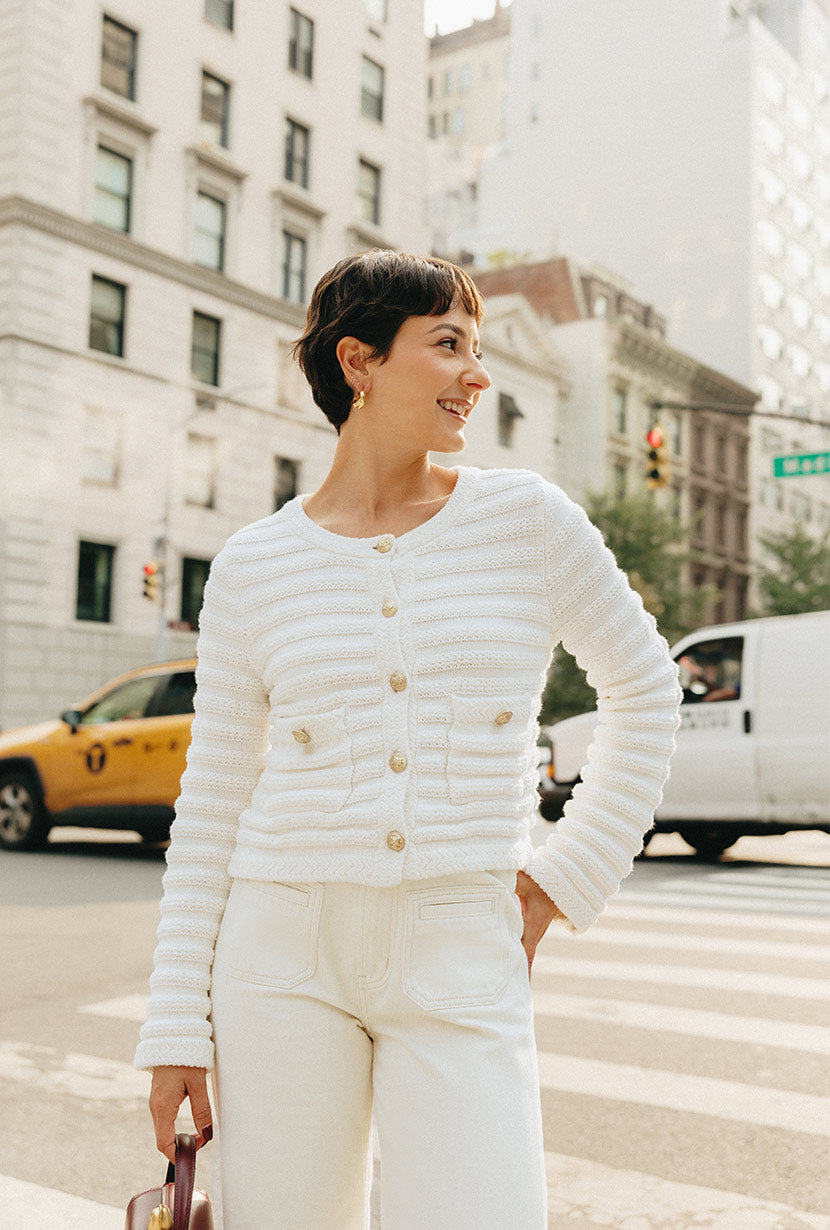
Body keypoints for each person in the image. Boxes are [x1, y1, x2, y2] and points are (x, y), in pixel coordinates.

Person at [135, 250, 681, 1229]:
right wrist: (176, 1023)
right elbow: (212, 798)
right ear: (359, 362)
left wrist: (563, 879)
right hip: (280, 955)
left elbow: (646, 688)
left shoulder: (526, 520)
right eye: (449, 346)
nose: (478, 375)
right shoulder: (255, 565)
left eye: (478, 349)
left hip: (461, 947)